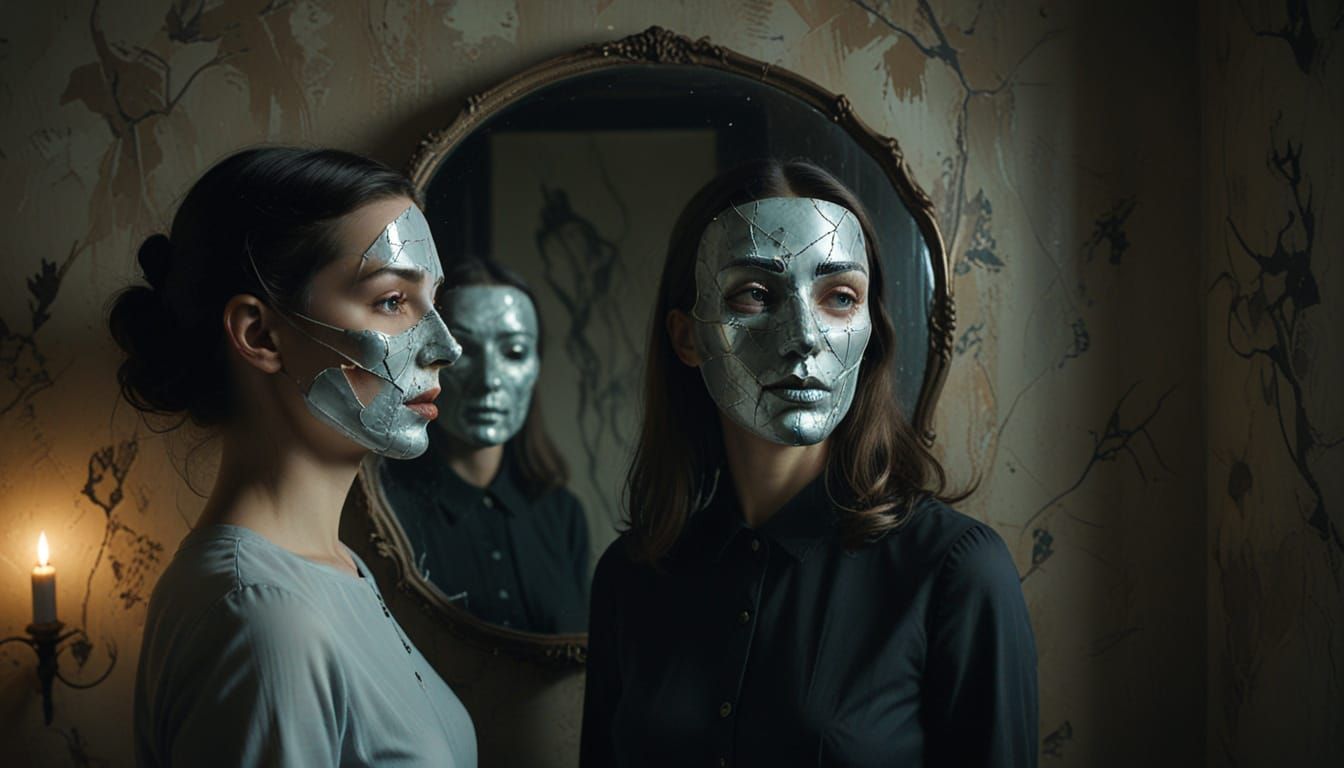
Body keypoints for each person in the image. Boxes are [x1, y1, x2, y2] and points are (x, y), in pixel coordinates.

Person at [580, 160, 1038, 767]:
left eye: (839, 297)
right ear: (687, 337)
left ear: (870, 329)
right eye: (754, 294)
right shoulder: (632, 576)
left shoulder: (955, 573)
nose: (803, 337)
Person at [117, 147, 477, 766]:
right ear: (259, 335)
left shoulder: (332, 569)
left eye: (434, 300)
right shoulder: (262, 615)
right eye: (393, 301)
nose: (446, 346)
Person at [379, 257, 590, 634]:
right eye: (465, 350)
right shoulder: (387, 507)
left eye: (513, 353)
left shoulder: (562, 515)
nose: (490, 380)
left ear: (537, 364)